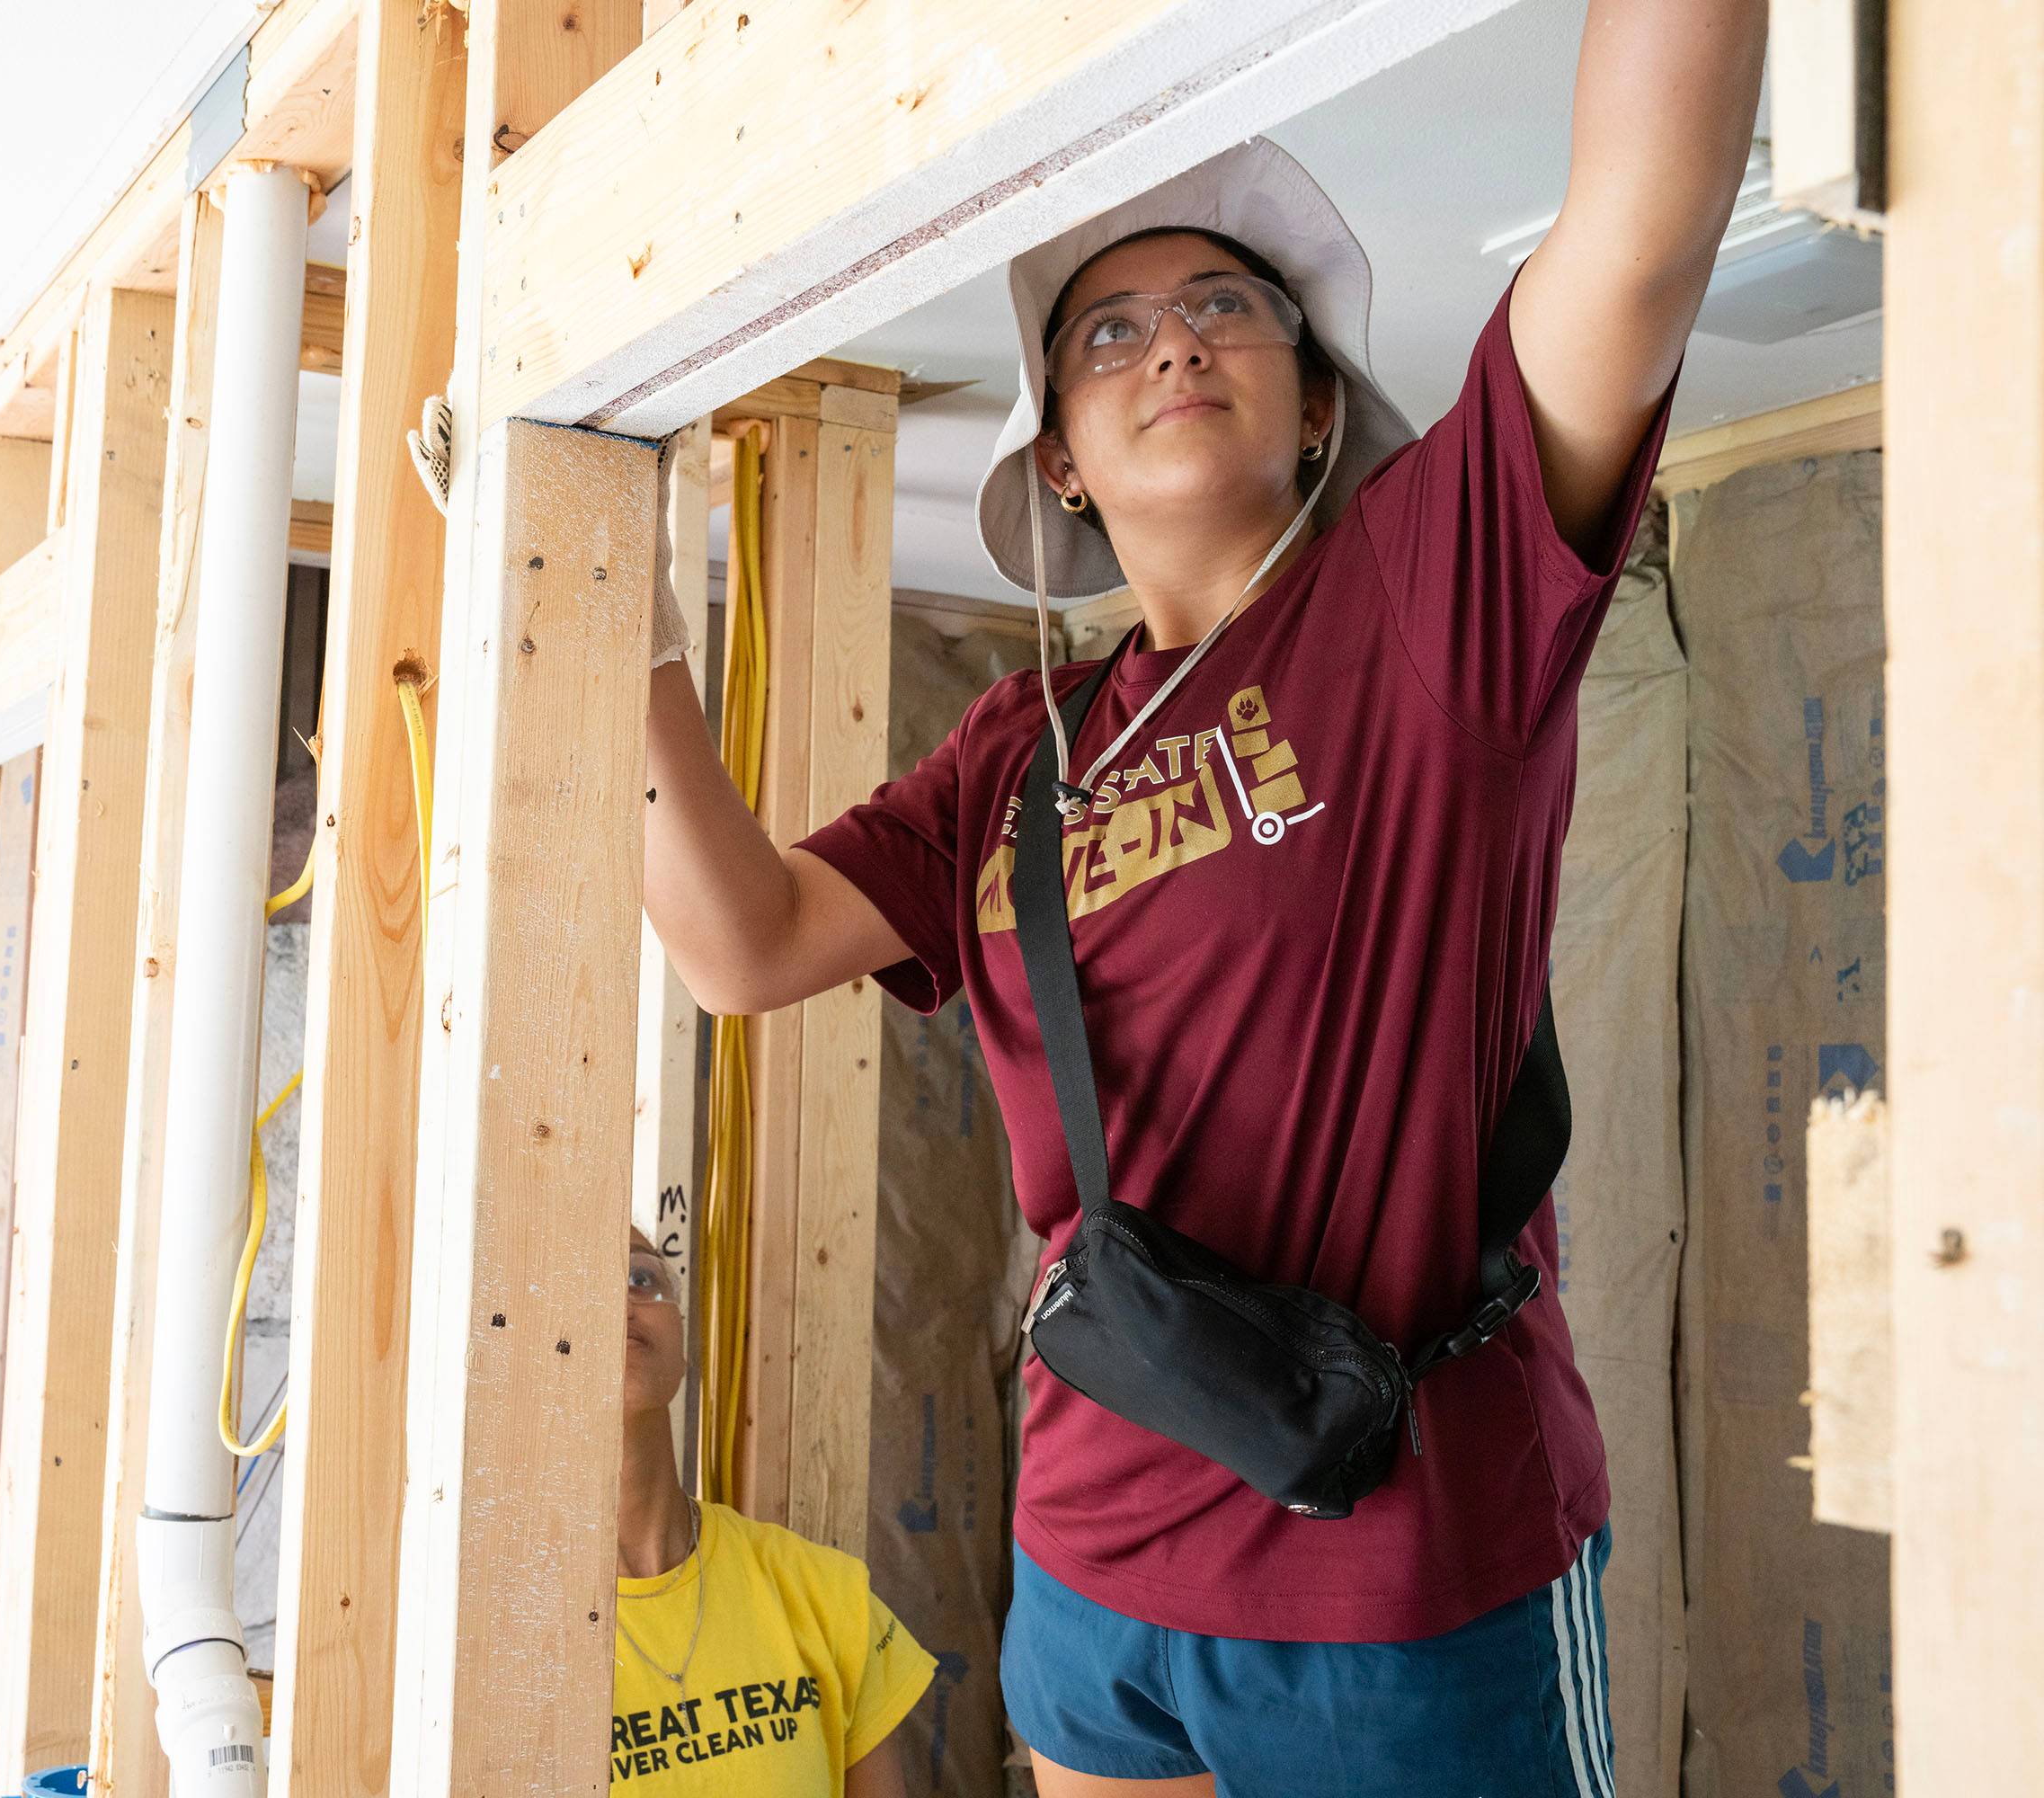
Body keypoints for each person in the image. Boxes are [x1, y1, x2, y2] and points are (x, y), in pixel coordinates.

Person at [638, 5, 1763, 1794]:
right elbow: (741, 943)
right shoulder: (1014, 751)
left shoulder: (1425, 604)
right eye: (1111, 330)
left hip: (1397, 1561)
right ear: (1064, 455)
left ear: (1317, 402)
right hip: (1089, 1553)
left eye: (1227, 307)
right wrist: (626, 662)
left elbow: (1639, 227)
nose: (1172, 338)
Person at [610, 1228, 935, 1795]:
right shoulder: (493, 1638)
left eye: (642, 1277)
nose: (621, 1300)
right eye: (581, 1277)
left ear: (684, 1343)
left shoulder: (825, 1596)